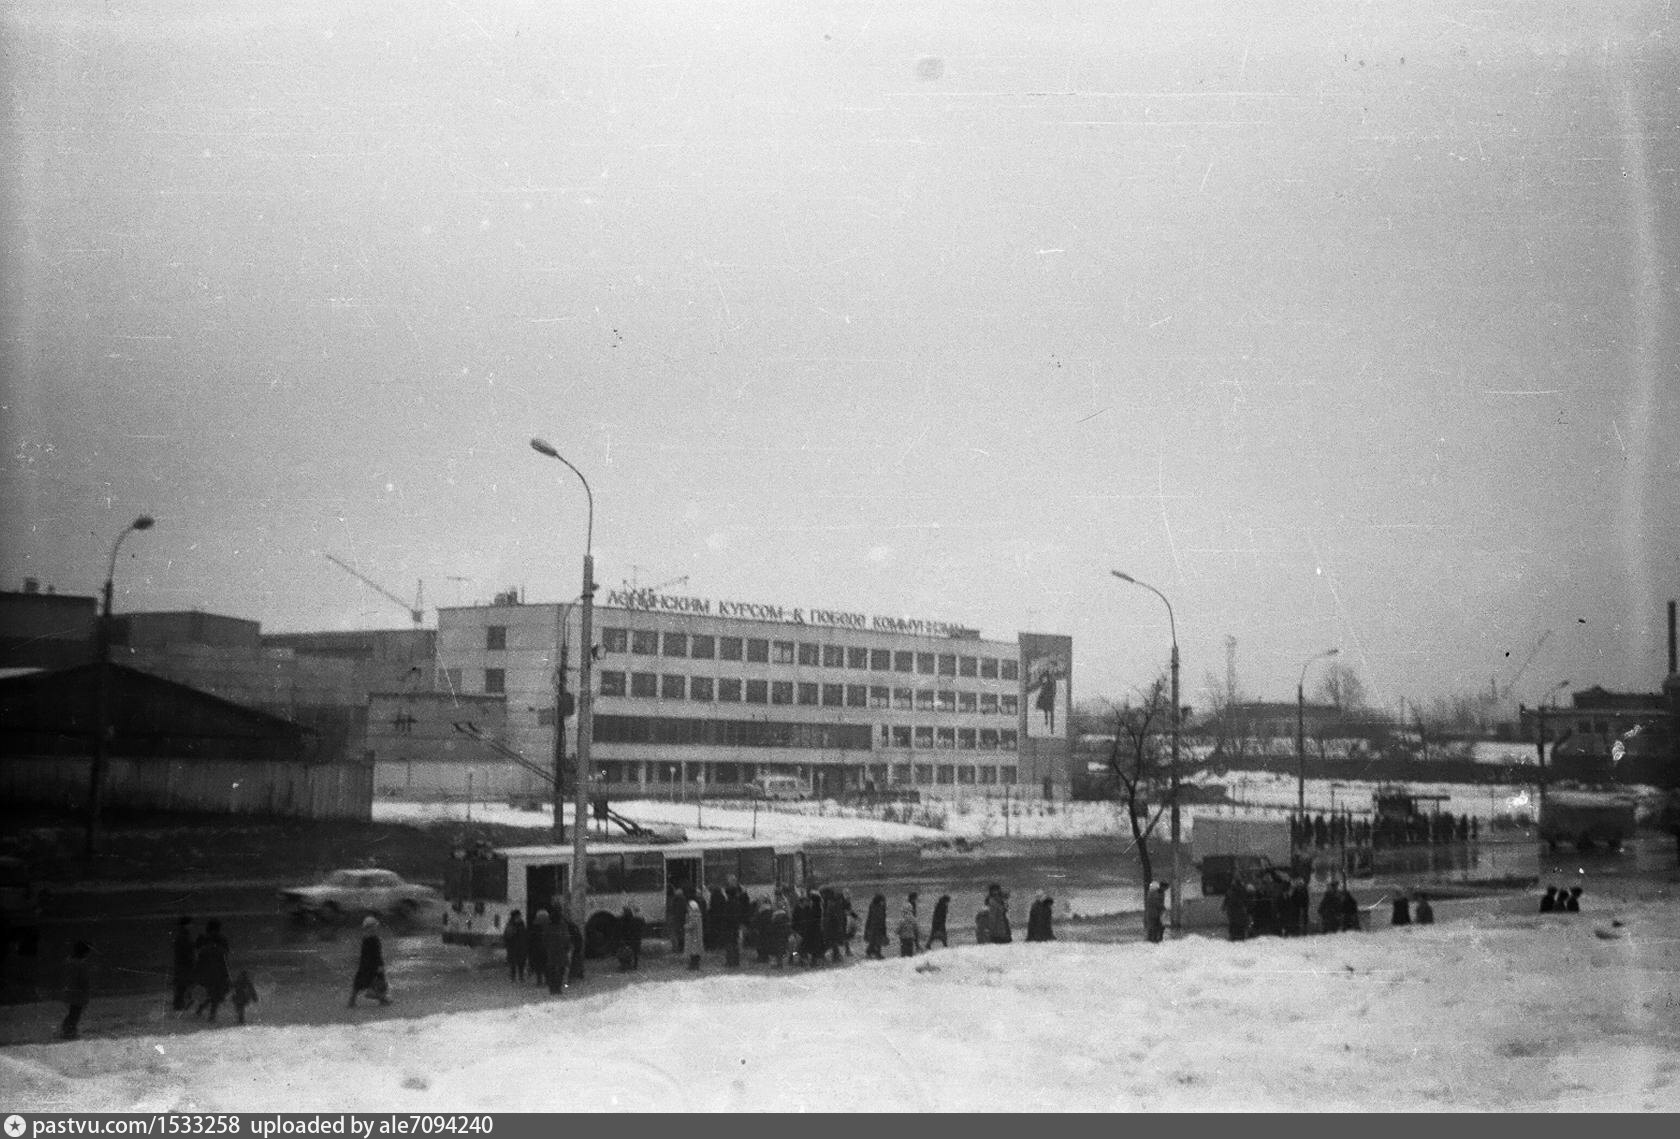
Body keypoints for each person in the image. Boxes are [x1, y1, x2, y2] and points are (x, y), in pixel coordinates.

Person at [193, 919, 231, 1021]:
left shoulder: (204, 939)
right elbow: (225, 955)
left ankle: (203, 1011)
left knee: (212, 994)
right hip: (217, 972)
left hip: (208, 972)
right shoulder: (221, 939)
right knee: (215, 995)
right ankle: (209, 1014)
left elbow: (199, 954)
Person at [348, 915, 390, 1007]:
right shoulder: (373, 940)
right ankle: (381, 998)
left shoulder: (366, 939)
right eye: (374, 927)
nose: (375, 929)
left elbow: (366, 954)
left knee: (359, 983)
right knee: (377, 981)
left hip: (365, 964)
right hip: (373, 965)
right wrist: (380, 965)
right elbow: (377, 954)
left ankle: (352, 1001)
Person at [60, 940, 93, 1040]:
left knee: (73, 1012)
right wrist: (86, 990)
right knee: (75, 1013)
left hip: (69, 990)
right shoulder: (81, 964)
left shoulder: (69, 961)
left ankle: (67, 1030)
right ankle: (69, 1031)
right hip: (78, 992)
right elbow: (84, 980)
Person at [170, 915, 196, 1012]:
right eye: (190, 924)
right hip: (185, 964)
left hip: (181, 964)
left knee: (182, 985)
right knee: (183, 985)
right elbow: (187, 951)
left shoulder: (182, 935)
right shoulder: (184, 936)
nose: (192, 926)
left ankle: (179, 1004)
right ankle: (179, 1005)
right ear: (187, 925)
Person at [544, 908, 570, 995]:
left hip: (551, 951)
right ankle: (558, 988)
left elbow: (545, 939)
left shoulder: (548, 927)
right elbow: (566, 938)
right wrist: (567, 948)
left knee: (552, 970)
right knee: (561, 969)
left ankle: (552, 988)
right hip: (561, 951)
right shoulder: (563, 926)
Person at [503, 909, 528, 983]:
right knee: (513, 963)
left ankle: (520, 977)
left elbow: (524, 935)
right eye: (518, 915)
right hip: (513, 947)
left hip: (520, 946)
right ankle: (514, 977)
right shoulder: (511, 924)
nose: (520, 917)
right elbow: (507, 935)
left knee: (521, 963)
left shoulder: (521, 924)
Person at [526, 910, 550, 987]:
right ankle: (546, 980)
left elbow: (530, 940)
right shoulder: (549, 926)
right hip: (545, 949)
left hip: (537, 950)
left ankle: (540, 981)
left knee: (539, 966)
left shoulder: (534, 927)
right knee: (546, 965)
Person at [767, 899, 792, 967]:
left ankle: (778, 963)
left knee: (776, 949)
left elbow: (771, 926)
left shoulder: (774, 915)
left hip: (776, 935)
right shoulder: (785, 915)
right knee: (782, 949)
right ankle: (781, 962)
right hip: (783, 935)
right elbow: (788, 925)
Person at [620, 905, 644, 972]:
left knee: (626, 951)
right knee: (635, 953)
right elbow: (642, 924)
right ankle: (635, 965)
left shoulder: (623, 920)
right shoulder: (637, 920)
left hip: (627, 939)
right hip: (636, 939)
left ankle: (626, 965)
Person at [864, 894, 889, 959]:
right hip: (875, 926)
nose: (884, 902)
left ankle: (873, 953)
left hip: (879, 926)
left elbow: (883, 917)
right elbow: (871, 917)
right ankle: (875, 953)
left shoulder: (881, 906)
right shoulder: (873, 906)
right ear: (879, 901)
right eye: (883, 900)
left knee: (877, 941)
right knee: (875, 941)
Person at [665, 885, 687, 955]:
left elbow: (671, 909)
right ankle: (679, 948)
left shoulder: (673, 899)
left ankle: (676, 949)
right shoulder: (683, 899)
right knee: (680, 934)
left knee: (674, 934)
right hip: (680, 919)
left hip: (673, 918)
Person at [684, 900, 704, 972]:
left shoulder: (693, 915)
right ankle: (695, 965)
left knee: (693, 951)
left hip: (693, 936)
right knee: (696, 951)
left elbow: (691, 925)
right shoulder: (698, 915)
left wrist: (685, 926)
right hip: (697, 935)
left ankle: (693, 966)